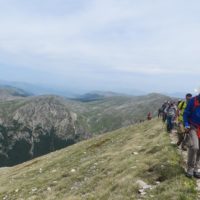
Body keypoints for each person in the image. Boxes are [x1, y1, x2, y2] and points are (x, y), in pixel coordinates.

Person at [184, 91, 200, 178]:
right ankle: (190, 168)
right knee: (194, 147)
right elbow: (186, 113)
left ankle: (196, 169)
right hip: (193, 126)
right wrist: (186, 124)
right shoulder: (193, 101)